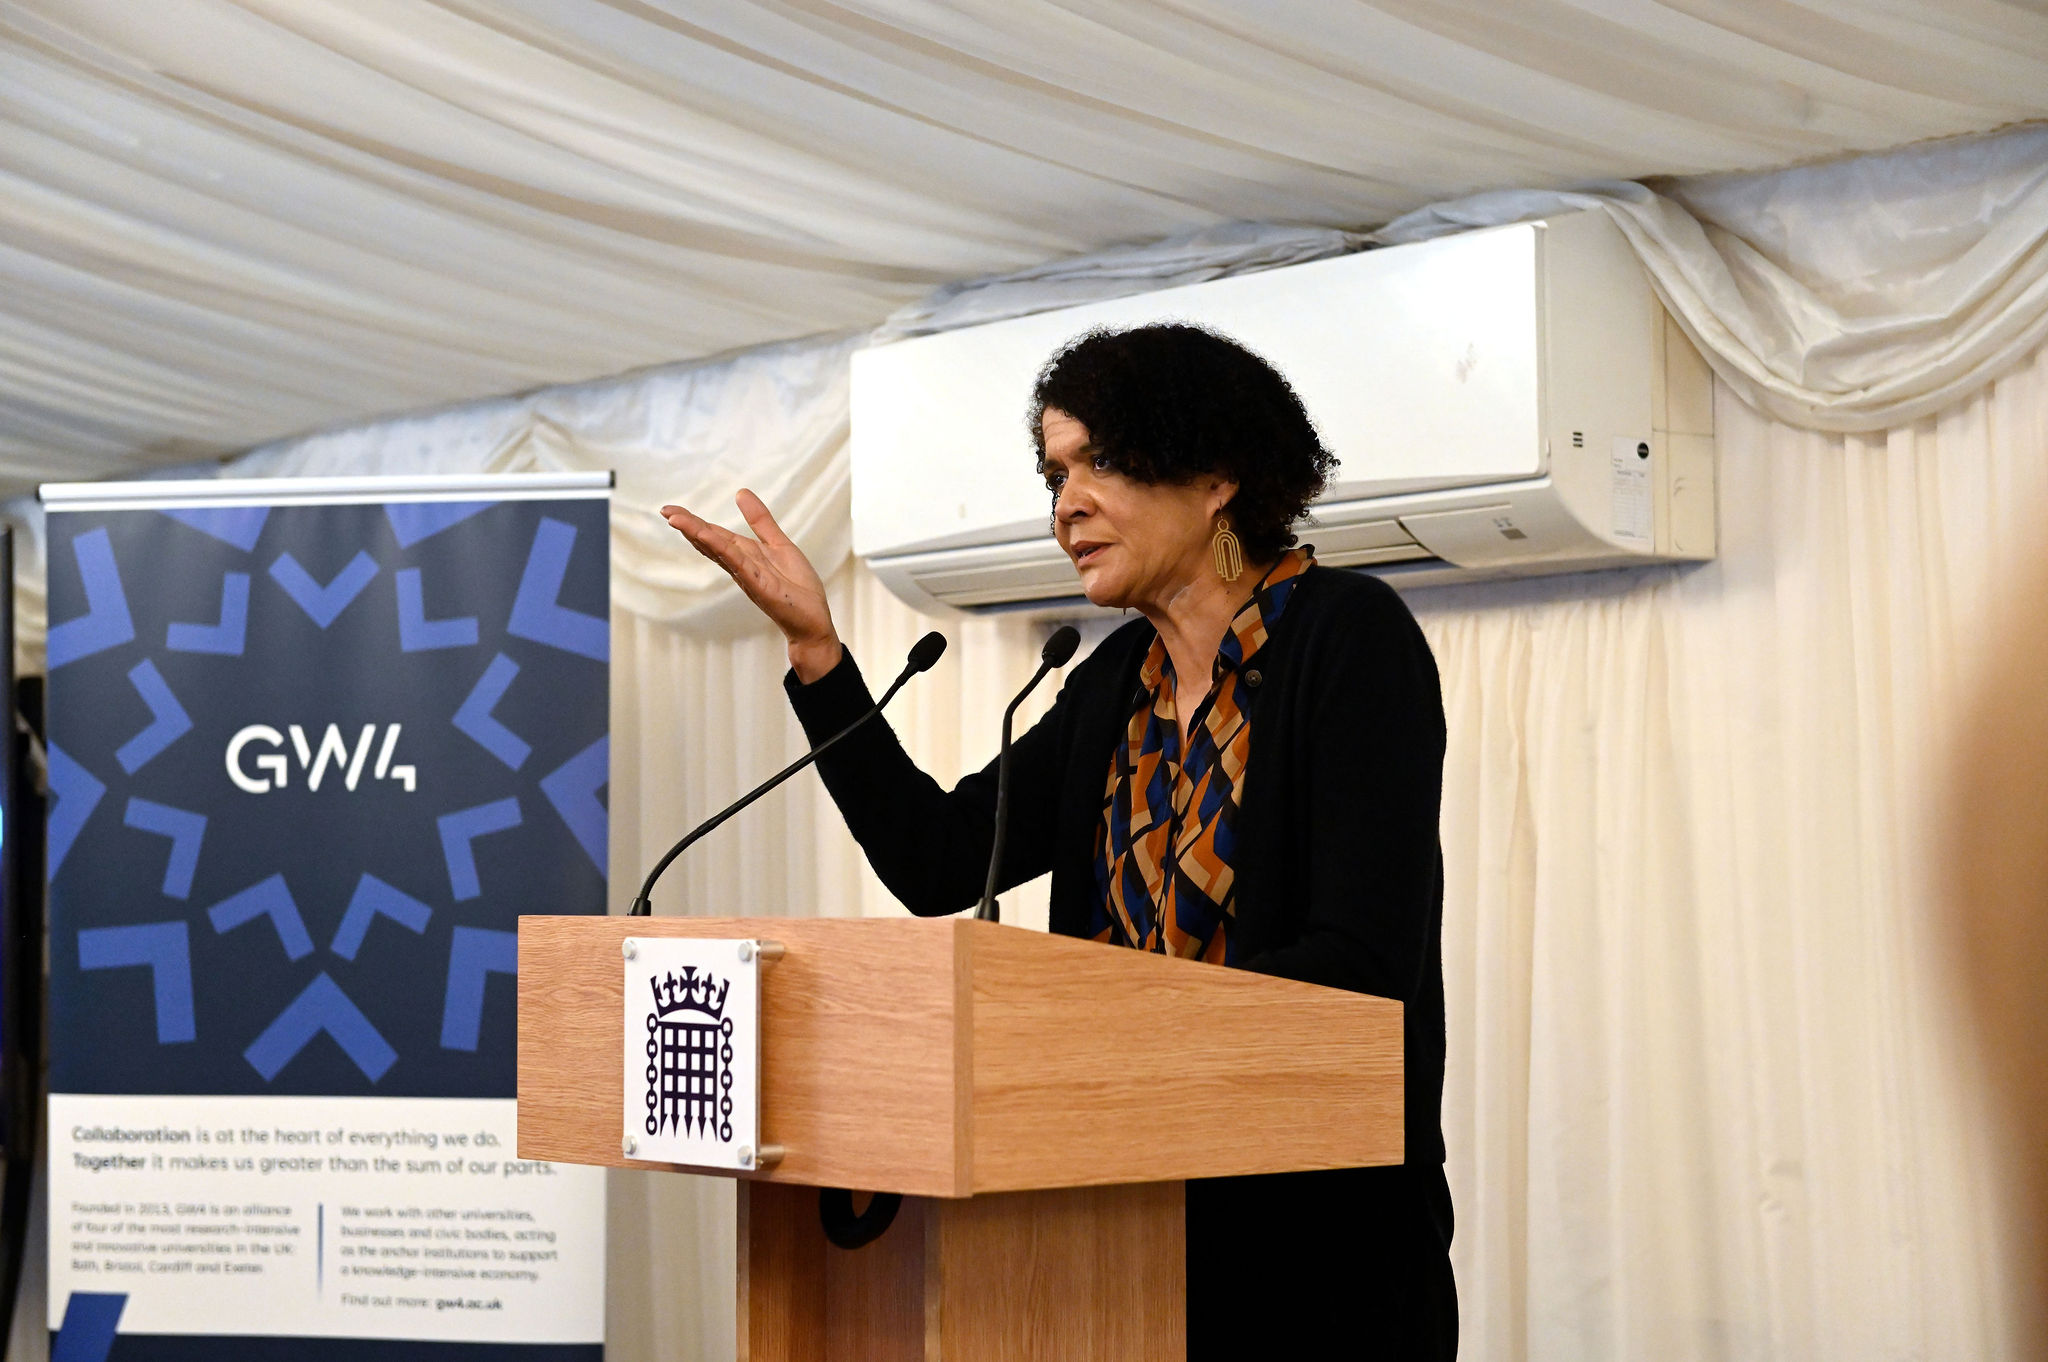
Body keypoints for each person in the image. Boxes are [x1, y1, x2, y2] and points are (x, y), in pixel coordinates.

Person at [664, 322, 1457, 1358]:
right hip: (1112, 1237)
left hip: (1311, 1252)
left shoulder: (1347, 641)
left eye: (1100, 463)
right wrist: (818, 654)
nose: (1064, 503)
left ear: (1216, 476)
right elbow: (938, 858)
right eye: (1053, 473)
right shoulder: (1110, 688)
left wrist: (1102, 1038)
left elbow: (1356, 965)